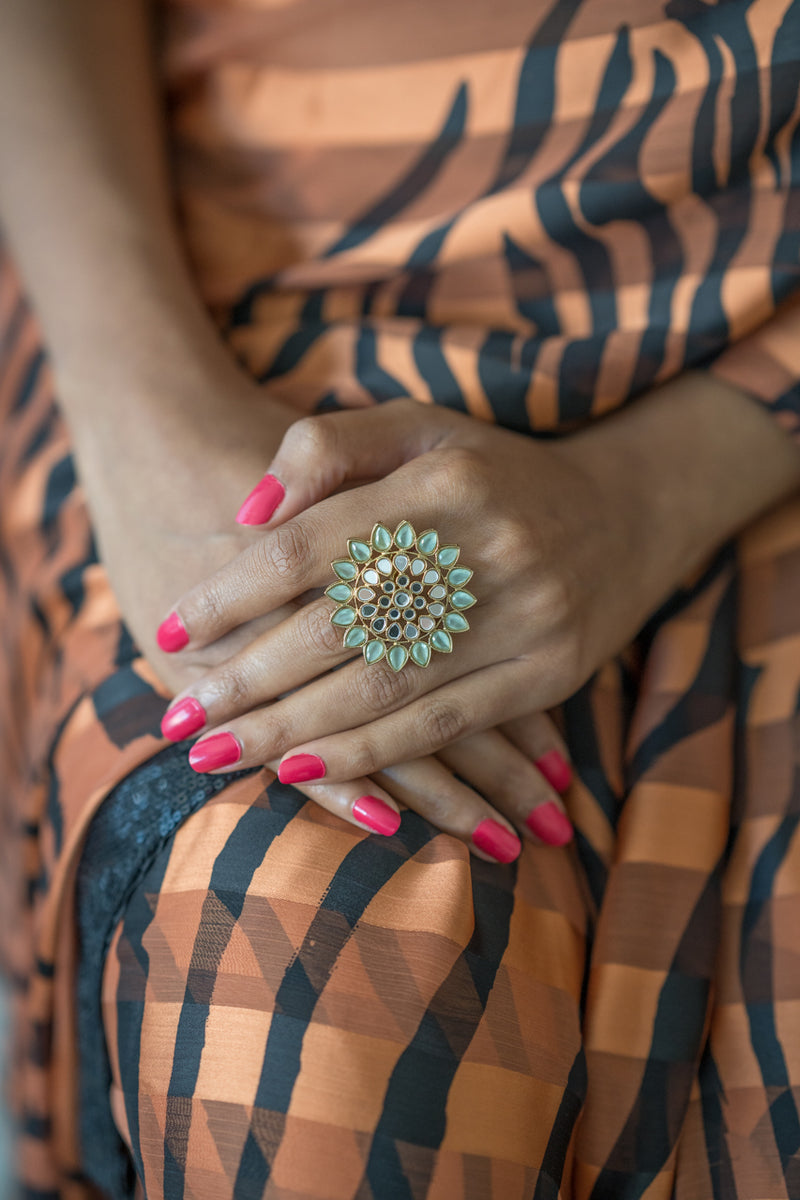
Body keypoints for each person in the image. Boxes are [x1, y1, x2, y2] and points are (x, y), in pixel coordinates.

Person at [1, 0, 799, 1195]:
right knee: (299, 1010)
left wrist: (645, 497)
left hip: (759, 378)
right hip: (217, 295)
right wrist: (145, 432)